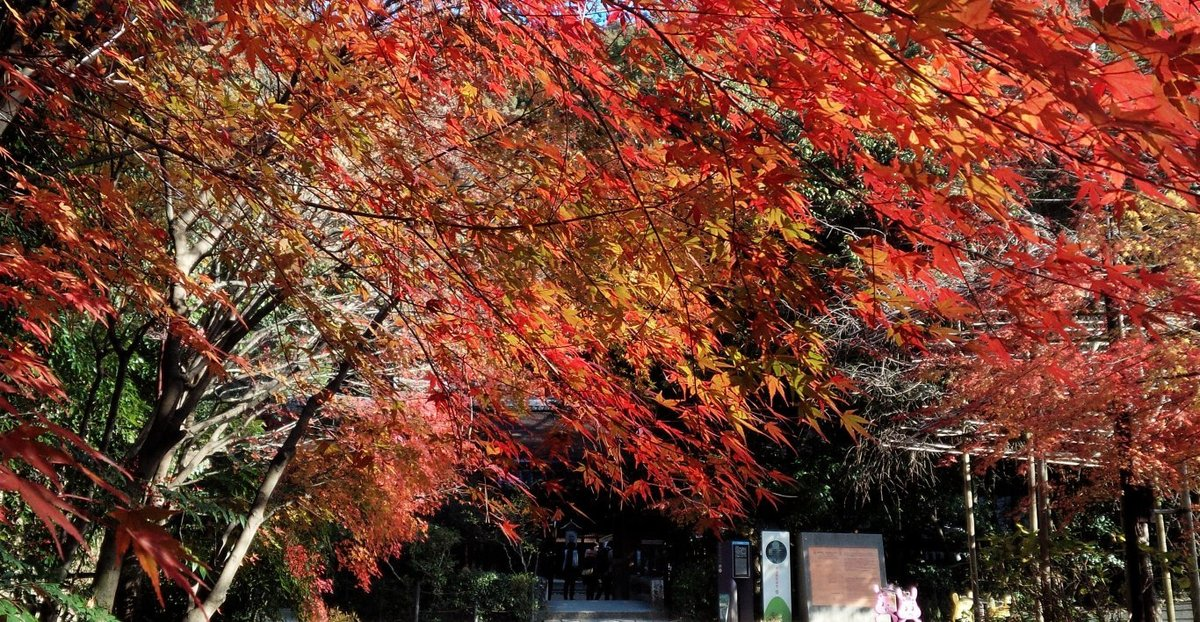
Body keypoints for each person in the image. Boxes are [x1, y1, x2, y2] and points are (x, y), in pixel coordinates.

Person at [559, 531, 582, 599]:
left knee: (568, 583)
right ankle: (569, 596)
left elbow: (564, 560)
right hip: (571, 569)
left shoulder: (569, 551)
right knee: (571, 584)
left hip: (569, 569)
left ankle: (567, 596)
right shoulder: (570, 551)